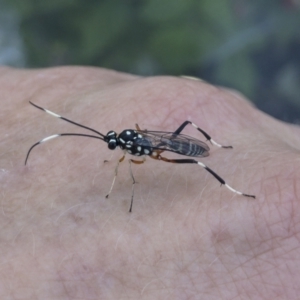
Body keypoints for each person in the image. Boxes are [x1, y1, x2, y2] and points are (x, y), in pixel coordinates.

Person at [0, 66, 298, 299]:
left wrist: (126, 189)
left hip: (171, 148)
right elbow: (127, 159)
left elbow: (130, 168)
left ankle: (231, 185)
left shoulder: (129, 148)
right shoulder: (127, 142)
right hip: (158, 146)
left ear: (118, 142)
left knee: (196, 158)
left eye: (114, 144)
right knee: (180, 133)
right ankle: (217, 149)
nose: (114, 146)